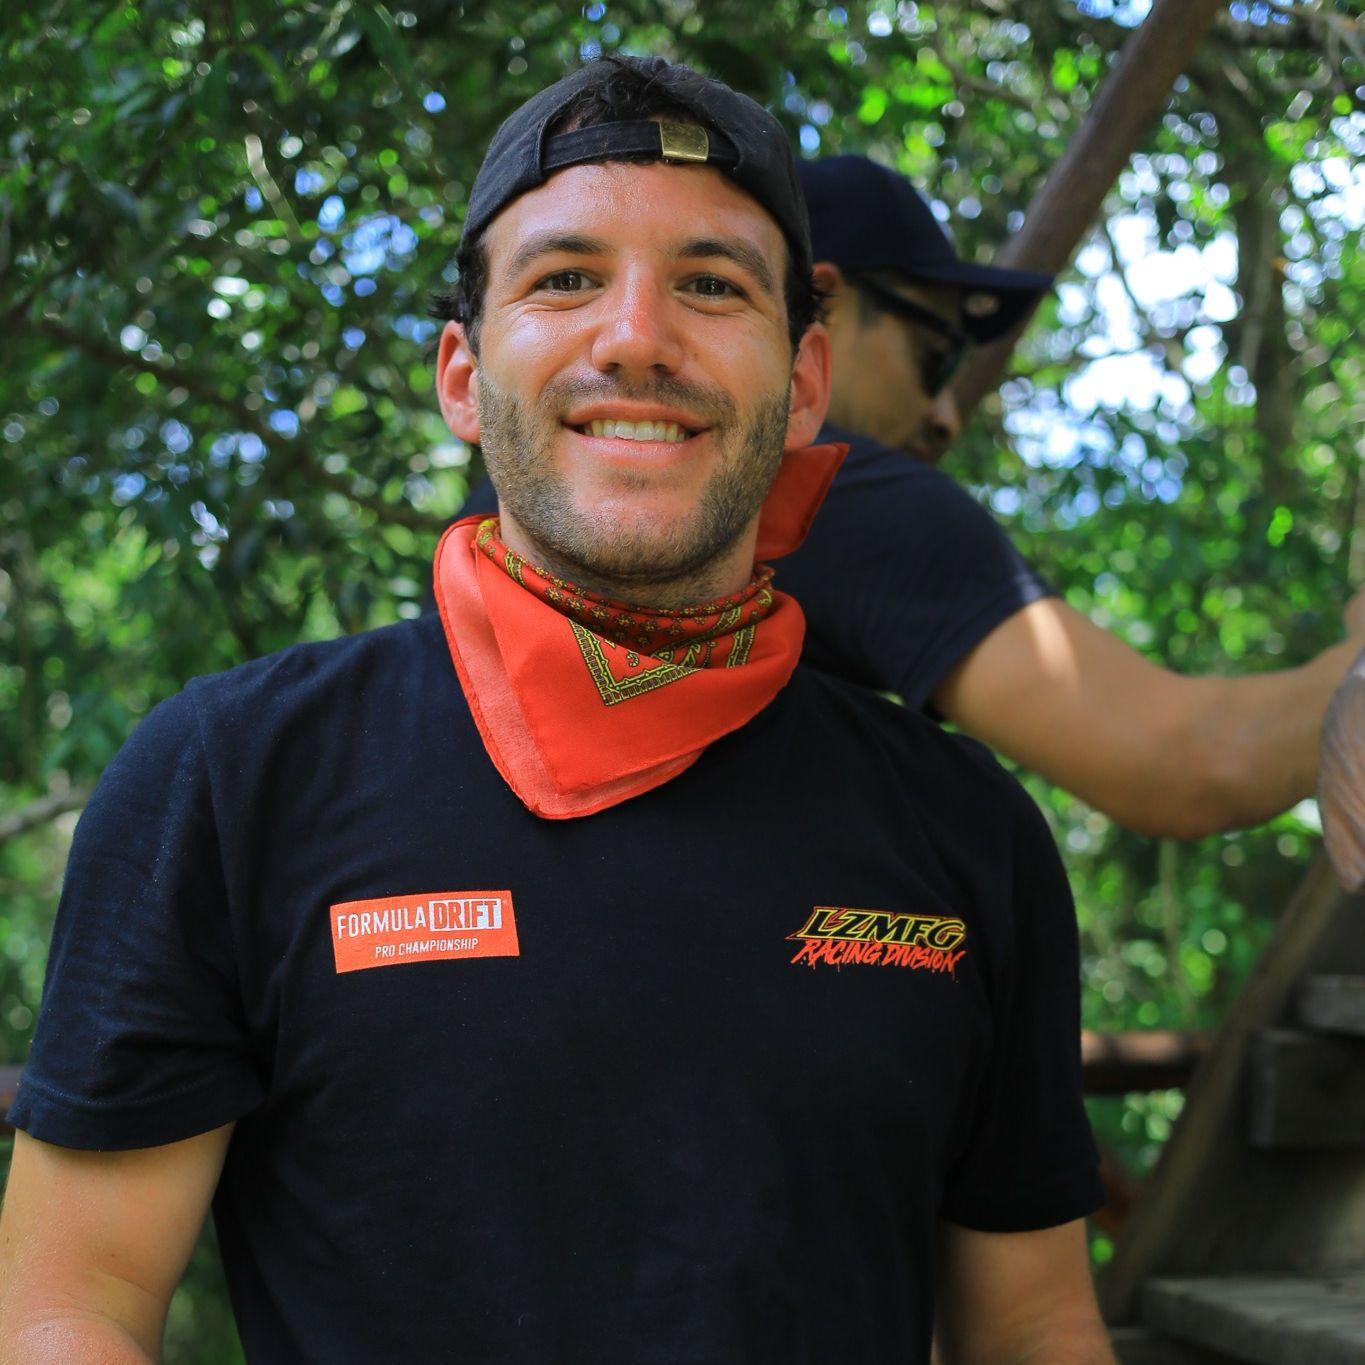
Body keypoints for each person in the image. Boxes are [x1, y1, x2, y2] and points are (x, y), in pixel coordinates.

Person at [0, 57, 1113, 1364]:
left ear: (804, 383)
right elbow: (71, 1307)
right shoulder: (230, 779)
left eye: (712, 285)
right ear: (462, 377)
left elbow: (1035, 1327)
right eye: (566, 279)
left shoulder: (967, 829)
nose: (636, 336)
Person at [456, 153, 1365, 840]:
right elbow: (1183, 763)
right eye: (934, 355)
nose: (943, 414)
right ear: (819, 313)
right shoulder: (833, 490)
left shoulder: (526, 504)